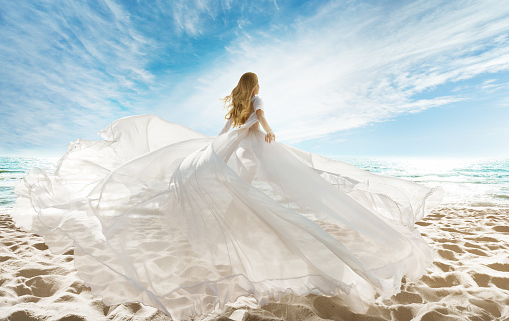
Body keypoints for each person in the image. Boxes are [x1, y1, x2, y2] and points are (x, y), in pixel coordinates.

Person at [11, 72, 443, 320]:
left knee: (240, 190)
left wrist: (209, 149)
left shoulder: (235, 103)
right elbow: (262, 122)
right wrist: (269, 132)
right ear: (253, 86)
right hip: (244, 149)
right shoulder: (255, 100)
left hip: (231, 149)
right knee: (268, 193)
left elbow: (227, 132)